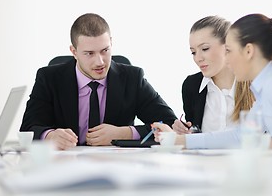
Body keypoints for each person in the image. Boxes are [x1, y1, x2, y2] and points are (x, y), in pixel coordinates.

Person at [154, 13, 272, 153]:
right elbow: (242, 135)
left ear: (248, 51)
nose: (228, 59)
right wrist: (179, 140)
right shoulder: (267, 85)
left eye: (230, 51)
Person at [20, 13, 177, 150]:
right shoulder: (49, 78)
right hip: (64, 164)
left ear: (111, 43)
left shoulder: (132, 78)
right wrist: (50, 136)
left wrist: (124, 133)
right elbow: (28, 129)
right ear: (74, 52)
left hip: (117, 164)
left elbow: (169, 124)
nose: (100, 62)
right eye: (89, 53)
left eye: (105, 50)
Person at [173, 16, 255, 142]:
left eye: (205, 49)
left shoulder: (257, 83)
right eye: (193, 52)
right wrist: (185, 131)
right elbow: (196, 135)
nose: (198, 58)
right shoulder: (191, 86)